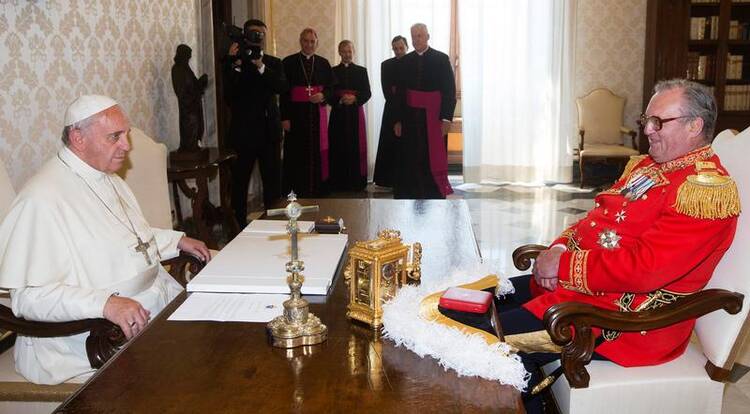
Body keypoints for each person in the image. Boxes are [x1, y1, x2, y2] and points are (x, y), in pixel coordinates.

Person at [481, 80, 740, 412]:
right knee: (472, 303)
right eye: (646, 120)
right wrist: (559, 249)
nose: (648, 129)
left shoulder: (703, 190)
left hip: (626, 320)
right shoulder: (648, 167)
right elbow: (597, 219)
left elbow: (645, 269)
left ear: (695, 126)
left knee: (477, 338)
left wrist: (562, 267)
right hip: (586, 291)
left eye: (659, 122)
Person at [0, 95, 211, 385]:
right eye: (115, 137)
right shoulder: (41, 200)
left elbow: (123, 238)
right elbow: (28, 297)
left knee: (217, 342)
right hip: (86, 336)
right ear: (78, 137)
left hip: (152, 304)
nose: (126, 145)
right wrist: (105, 304)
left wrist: (176, 241)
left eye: (126, 134)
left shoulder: (106, 177)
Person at [224, 19, 288, 227]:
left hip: (269, 133)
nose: (258, 38)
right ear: (245, 35)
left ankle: (274, 224)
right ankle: (238, 227)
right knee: (240, 183)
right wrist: (232, 65)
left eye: (261, 34)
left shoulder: (273, 63)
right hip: (243, 134)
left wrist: (260, 66)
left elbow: (281, 87)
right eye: (254, 33)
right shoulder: (234, 62)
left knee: (272, 184)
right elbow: (228, 96)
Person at [393, 23, 456, 199]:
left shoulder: (441, 59)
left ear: (428, 36)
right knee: (411, 155)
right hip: (410, 117)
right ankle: (411, 191)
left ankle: (432, 191)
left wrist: (446, 118)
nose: (416, 40)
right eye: (413, 36)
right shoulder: (405, 61)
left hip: (434, 117)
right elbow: (399, 93)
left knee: (431, 156)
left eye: (420, 36)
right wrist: (397, 120)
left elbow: (449, 91)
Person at [280, 28, 334, 197]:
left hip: (317, 116)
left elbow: (332, 88)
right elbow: (284, 92)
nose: (309, 44)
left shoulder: (324, 63)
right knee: (296, 153)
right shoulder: (288, 62)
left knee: (317, 152)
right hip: (296, 116)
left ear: (316, 43)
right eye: (306, 41)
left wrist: (323, 95)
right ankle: (296, 189)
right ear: (300, 41)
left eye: (312, 41)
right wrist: (285, 118)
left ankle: (318, 189)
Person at [328, 40, 371, 192]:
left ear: (353, 52)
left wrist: (355, 98)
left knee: (355, 147)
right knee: (337, 146)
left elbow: (367, 92)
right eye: (344, 51)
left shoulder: (361, 71)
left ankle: (356, 182)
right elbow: (329, 93)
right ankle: (338, 182)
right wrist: (339, 99)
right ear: (339, 52)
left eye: (349, 51)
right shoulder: (332, 71)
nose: (347, 54)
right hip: (338, 115)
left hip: (355, 115)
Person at [373, 35, 409, 188]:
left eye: (401, 48)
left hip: (409, 109)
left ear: (407, 47)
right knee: (390, 145)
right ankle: (388, 179)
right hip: (392, 108)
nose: (398, 51)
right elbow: (387, 91)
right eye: (395, 49)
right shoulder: (386, 65)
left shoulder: (413, 62)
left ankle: (407, 178)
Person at [171, 44, 208, 153]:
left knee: (196, 127)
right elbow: (182, 92)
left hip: (194, 106)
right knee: (189, 128)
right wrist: (196, 90)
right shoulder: (177, 69)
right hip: (188, 108)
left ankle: (193, 146)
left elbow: (193, 84)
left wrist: (201, 82)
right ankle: (189, 147)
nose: (188, 59)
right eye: (187, 57)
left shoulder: (186, 68)